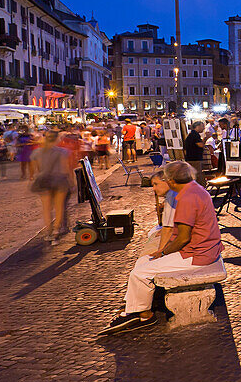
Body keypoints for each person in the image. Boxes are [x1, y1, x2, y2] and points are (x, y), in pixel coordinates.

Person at [101, 161, 223, 335]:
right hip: (203, 248)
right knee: (143, 262)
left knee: (140, 272)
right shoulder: (195, 188)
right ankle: (134, 306)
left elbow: (183, 238)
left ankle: (144, 315)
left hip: (198, 254)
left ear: (172, 180)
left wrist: (163, 253)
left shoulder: (186, 198)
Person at [31, 130, 72, 244]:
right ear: (57, 139)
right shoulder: (63, 151)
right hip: (59, 180)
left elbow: (37, 169)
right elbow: (66, 168)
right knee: (59, 207)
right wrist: (71, 182)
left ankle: (48, 232)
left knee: (46, 209)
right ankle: (56, 231)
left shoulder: (37, 152)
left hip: (44, 181)